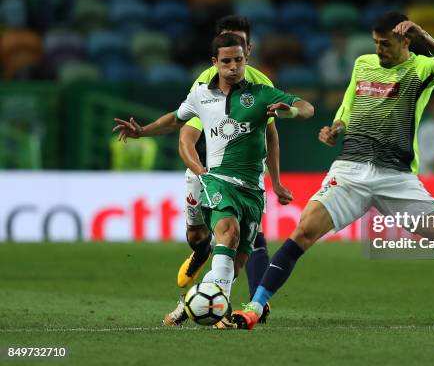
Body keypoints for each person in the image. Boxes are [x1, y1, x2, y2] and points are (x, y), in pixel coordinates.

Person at [232, 12, 434, 330]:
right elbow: (349, 104)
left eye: (385, 44)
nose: (379, 50)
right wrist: (337, 127)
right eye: (375, 43)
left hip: (396, 177)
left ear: (405, 42)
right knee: (302, 232)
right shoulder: (363, 64)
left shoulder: (420, 69)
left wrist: (423, 33)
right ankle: (256, 306)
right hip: (351, 171)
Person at [114, 33, 314, 327]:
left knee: (237, 262)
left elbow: (309, 108)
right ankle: (216, 311)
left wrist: (291, 110)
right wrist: (142, 131)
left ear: (246, 59)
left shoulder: (262, 94)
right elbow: (175, 119)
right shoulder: (201, 95)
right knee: (228, 232)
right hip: (218, 179)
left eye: (238, 60)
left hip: (253, 190)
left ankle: (191, 305)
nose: (233, 67)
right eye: (226, 62)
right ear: (215, 63)